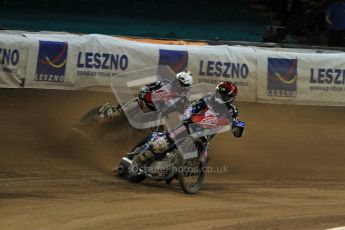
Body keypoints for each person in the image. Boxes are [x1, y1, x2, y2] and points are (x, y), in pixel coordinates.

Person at [132, 81, 244, 166]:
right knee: (162, 144)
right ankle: (137, 161)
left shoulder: (231, 110)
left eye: (223, 96)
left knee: (202, 161)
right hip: (190, 126)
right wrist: (186, 116)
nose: (220, 97)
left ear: (231, 98)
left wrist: (238, 127)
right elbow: (193, 107)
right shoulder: (208, 99)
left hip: (204, 137)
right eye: (219, 94)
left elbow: (236, 130)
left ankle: (180, 168)